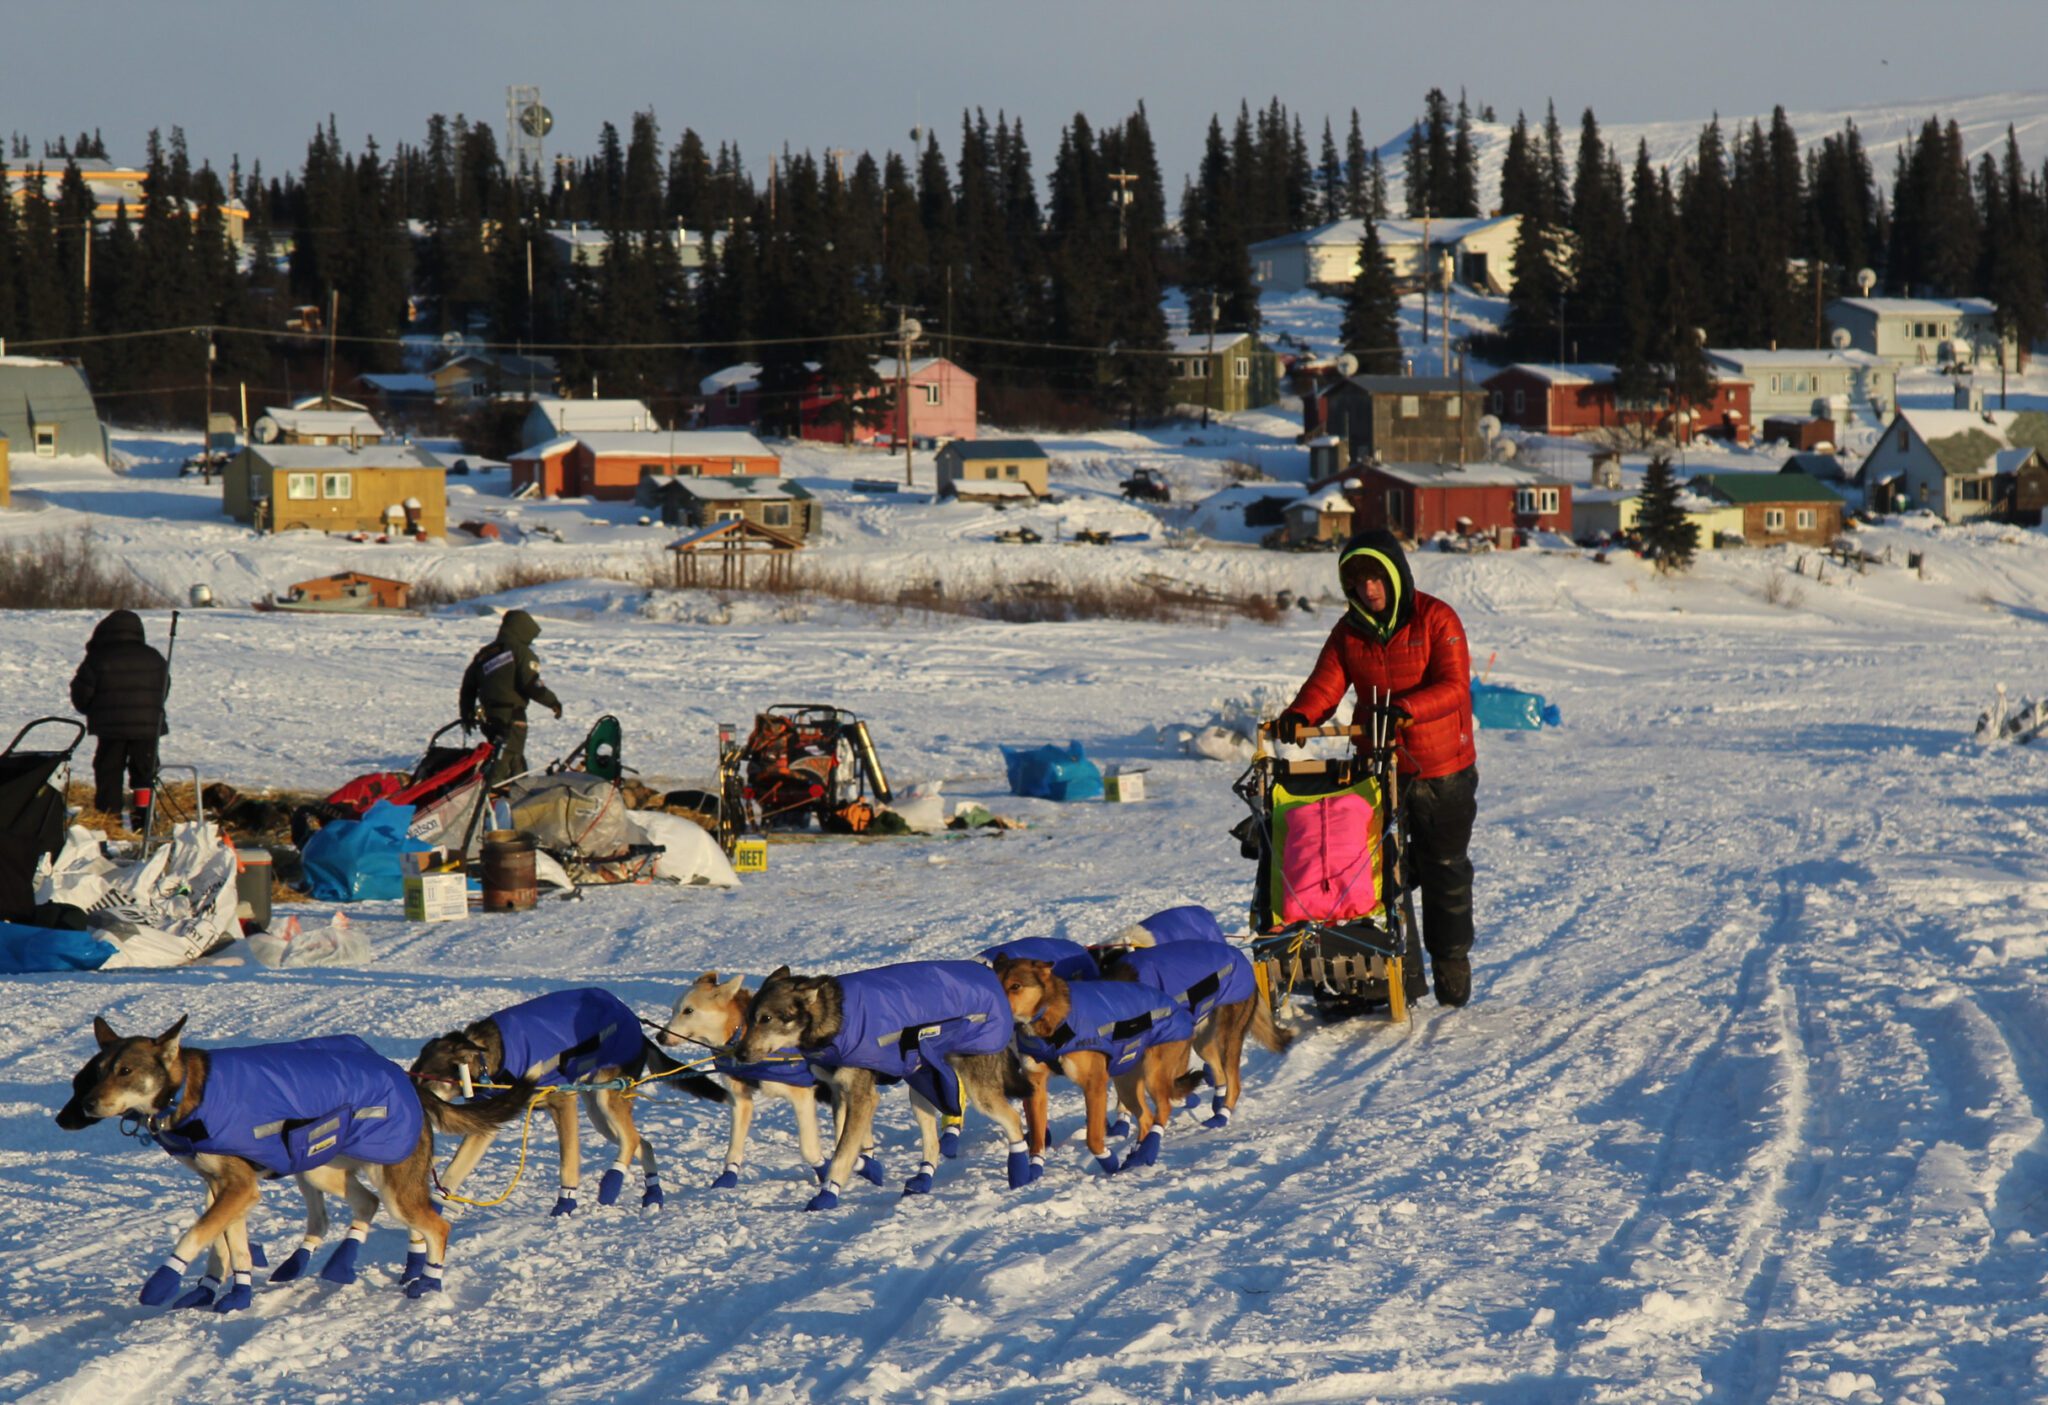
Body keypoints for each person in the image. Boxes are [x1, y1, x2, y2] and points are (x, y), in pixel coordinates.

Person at [1276, 529, 1478, 1007]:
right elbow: (1327, 682)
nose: (1369, 589)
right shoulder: (1349, 631)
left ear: (1395, 576)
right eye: (1358, 581)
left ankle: (1450, 963)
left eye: (1376, 579)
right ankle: (1391, 976)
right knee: (1379, 874)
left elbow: (1454, 685)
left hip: (1442, 769)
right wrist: (1301, 715)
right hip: (1378, 767)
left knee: (1444, 868)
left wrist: (1407, 708)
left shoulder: (1436, 617)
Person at [69, 609, 170, 827]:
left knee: (109, 773)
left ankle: (109, 822)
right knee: (144, 774)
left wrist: (94, 710)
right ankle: (144, 821)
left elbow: (81, 694)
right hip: (147, 729)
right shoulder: (154, 657)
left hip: (110, 730)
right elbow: (164, 691)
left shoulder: (98, 658)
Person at [460, 609, 562, 783]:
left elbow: (468, 687)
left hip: (488, 717)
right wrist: (552, 702)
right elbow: (531, 684)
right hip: (512, 716)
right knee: (506, 758)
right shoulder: (521, 652)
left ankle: (509, 793)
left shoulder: (485, 653)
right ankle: (493, 794)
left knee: (503, 755)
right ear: (521, 630)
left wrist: (467, 714)